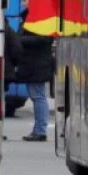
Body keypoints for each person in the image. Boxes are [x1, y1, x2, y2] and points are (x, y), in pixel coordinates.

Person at [17, 7, 54, 141]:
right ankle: (38, 129)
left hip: (37, 64)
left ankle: (40, 130)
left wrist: (21, 40)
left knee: (38, 96)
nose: (23, 2)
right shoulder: (31, 17)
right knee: (37, 96)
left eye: (25, 0)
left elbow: (44, 39)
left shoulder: (39, 19)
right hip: (33, 64)